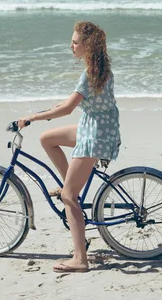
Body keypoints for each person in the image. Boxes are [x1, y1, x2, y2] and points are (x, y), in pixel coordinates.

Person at [18, 21, 121, 273]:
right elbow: (71, 101)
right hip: (95, 127)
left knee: (68, 198)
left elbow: (67, 108)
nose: (71, 46)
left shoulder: (90, 74)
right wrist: (47, 112)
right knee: (47, 138)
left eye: (75, 42)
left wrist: (34, 116)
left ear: (87, 45)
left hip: (94, 136)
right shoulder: (99, 67)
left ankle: (80, 259)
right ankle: (69, 183)